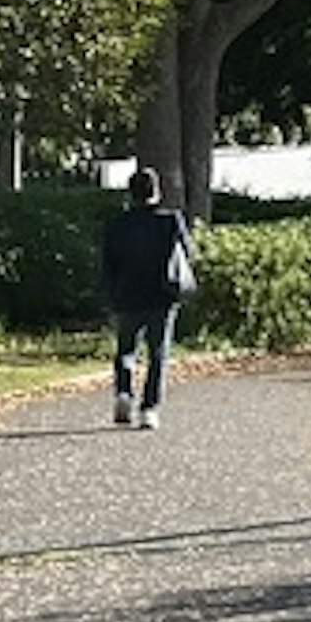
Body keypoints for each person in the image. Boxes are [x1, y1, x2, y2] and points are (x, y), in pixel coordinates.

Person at [99, 168, 194, 429]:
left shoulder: (118, 224)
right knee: (158, 354)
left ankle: (123, 394)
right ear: (157, 191)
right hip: (162, 295)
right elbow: (188, 252)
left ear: (131, 193)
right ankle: (149, 409)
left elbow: (109, 263)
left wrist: (109, 294)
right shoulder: (170, 221)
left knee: (126, 350)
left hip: (127, 294)